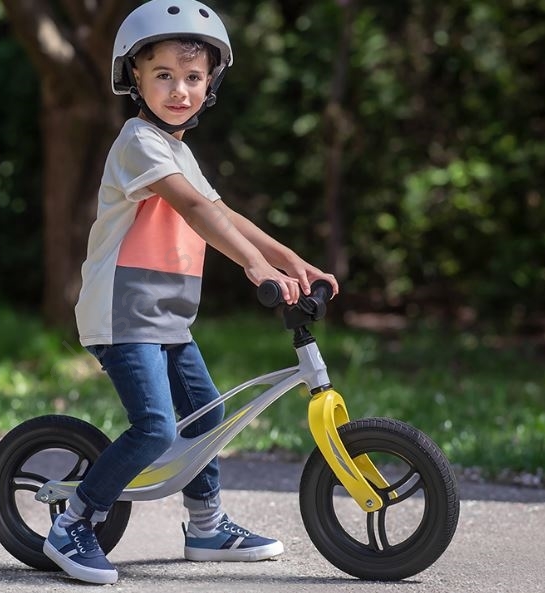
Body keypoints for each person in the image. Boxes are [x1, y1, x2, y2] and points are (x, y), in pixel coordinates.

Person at [43, 0, 340, 584]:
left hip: (167, 316)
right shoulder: (139, 141)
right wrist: (256, 268)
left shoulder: (177, 149)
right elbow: (197, 210)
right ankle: (74, 522)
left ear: (210, 83)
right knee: (156, 427)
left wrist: (291, 261)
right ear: (134, 76)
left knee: (207, 418)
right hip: (124, 315)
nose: (180, 90)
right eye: (164, 75)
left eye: (194, 77)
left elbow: (225, 214)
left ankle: (206, 526)